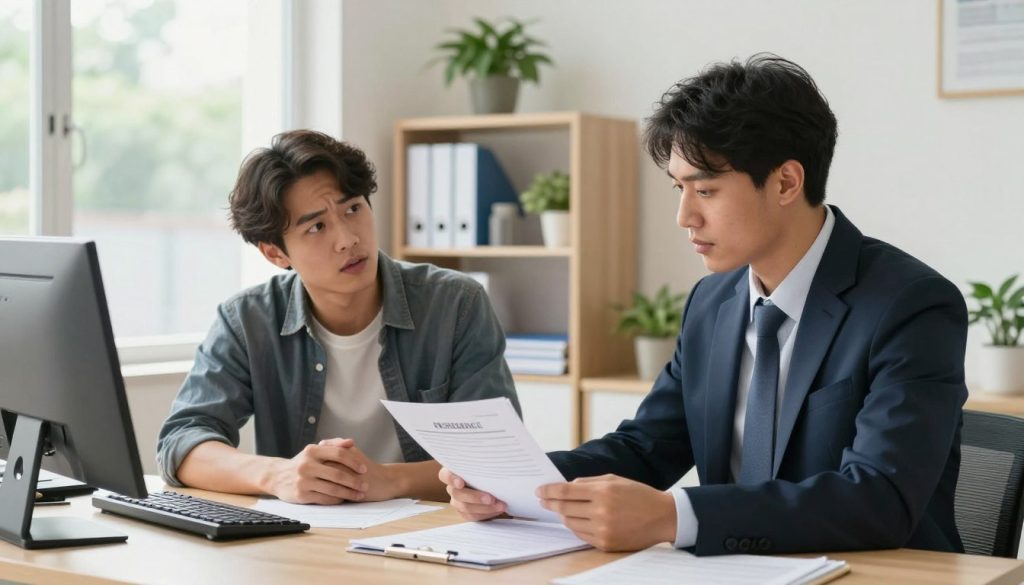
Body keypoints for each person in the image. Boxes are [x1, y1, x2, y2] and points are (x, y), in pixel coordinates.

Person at [441, 54, 968, 555]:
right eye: (678, 188)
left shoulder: (910, 305)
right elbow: (648, 447)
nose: (684, 216)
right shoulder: (713, 302)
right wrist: (515, 485)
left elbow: (878, 499)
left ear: (786, 182)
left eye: (706, 190)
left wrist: (673, 517)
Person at [158, 129, 519, 505]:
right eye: (316, 226)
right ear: (275, 254)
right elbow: (182, 441)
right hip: (307, 541)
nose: (348, 238)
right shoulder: (248, 320)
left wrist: (389, 481)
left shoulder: (455, 304)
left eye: (353, 209)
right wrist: (276, 474)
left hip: (431, 536)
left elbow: (496, 461)